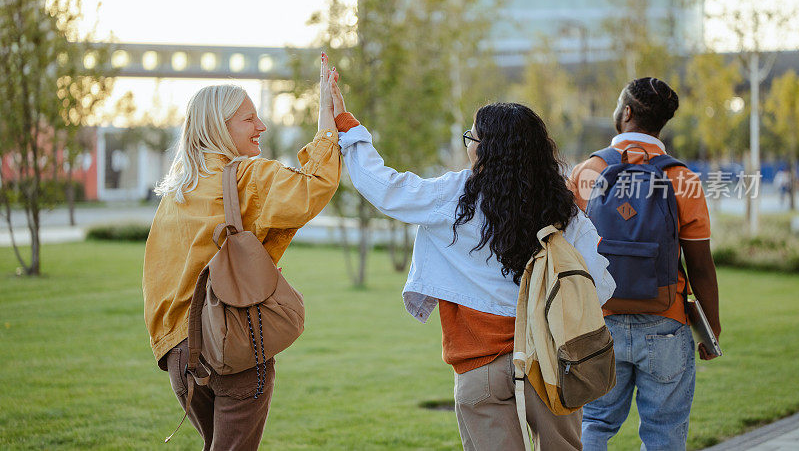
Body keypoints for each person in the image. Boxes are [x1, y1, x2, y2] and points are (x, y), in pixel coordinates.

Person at [331, 78, 616, 450]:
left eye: (472, 139)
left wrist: (348, 128)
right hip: (552, 361)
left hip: (479, 365)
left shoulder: (454, 195)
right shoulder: (562, 208)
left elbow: (384, 187)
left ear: (485, 150)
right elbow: (602, 285)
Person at [142, 54, 346, 450]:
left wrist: (174, 349)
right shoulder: (246, 177)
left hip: (180, 356)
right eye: (248, 119)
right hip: (232, 345)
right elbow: (314, 186)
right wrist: (327, 115)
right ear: (220, 126)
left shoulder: (176, 194)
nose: (261, 126)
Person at [570, 78, 722, 451]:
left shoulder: (586, 172)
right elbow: (700, 264)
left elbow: (565, 254)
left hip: (600, 321)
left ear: (626, 112)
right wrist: (711, 326)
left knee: (594, 424)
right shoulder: (682, 179)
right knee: (664, 431)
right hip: (666, 321)